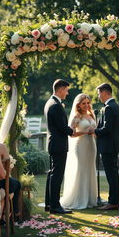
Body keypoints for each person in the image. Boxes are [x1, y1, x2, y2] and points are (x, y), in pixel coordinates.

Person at [61, 93, 98, 209]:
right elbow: (71, 134)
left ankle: (90, 199)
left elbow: (96, 132)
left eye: (88, 103)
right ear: (78, 105)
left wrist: (95, 133)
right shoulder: (77, 117)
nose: (86, 105)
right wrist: (84, 132)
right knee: (81, 170)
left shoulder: (91, 115)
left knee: (90, 169)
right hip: (80, 145)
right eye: (84, 103)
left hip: (91, 145)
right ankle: (80, 199)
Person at [44, 79, 74, 214]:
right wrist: (72, 131)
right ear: (61, 89)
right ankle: (55, 206)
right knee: (57, 175)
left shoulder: (49, 102)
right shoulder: (55, 105)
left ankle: (49, 204)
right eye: (66, 90)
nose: (67, 93)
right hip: (58, 145)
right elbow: (62, 127)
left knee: (52, 174)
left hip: (54, 144)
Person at [0, 115, 21, 220]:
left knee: (13, 183)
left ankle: (9, 212)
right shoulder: (0, 147)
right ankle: (14, 213)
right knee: (16, 184)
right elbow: (6, 171)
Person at [94, 83, 119, 210]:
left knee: (111, 175)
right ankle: (115, 201)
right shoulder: (115, 106)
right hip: (112, 145)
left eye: (99, 93)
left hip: (108, 146)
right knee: (113, 174)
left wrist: (94, 131)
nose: (98, 96)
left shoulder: (109, 108)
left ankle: (113, 202)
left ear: (105, 93)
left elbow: (107, 129)